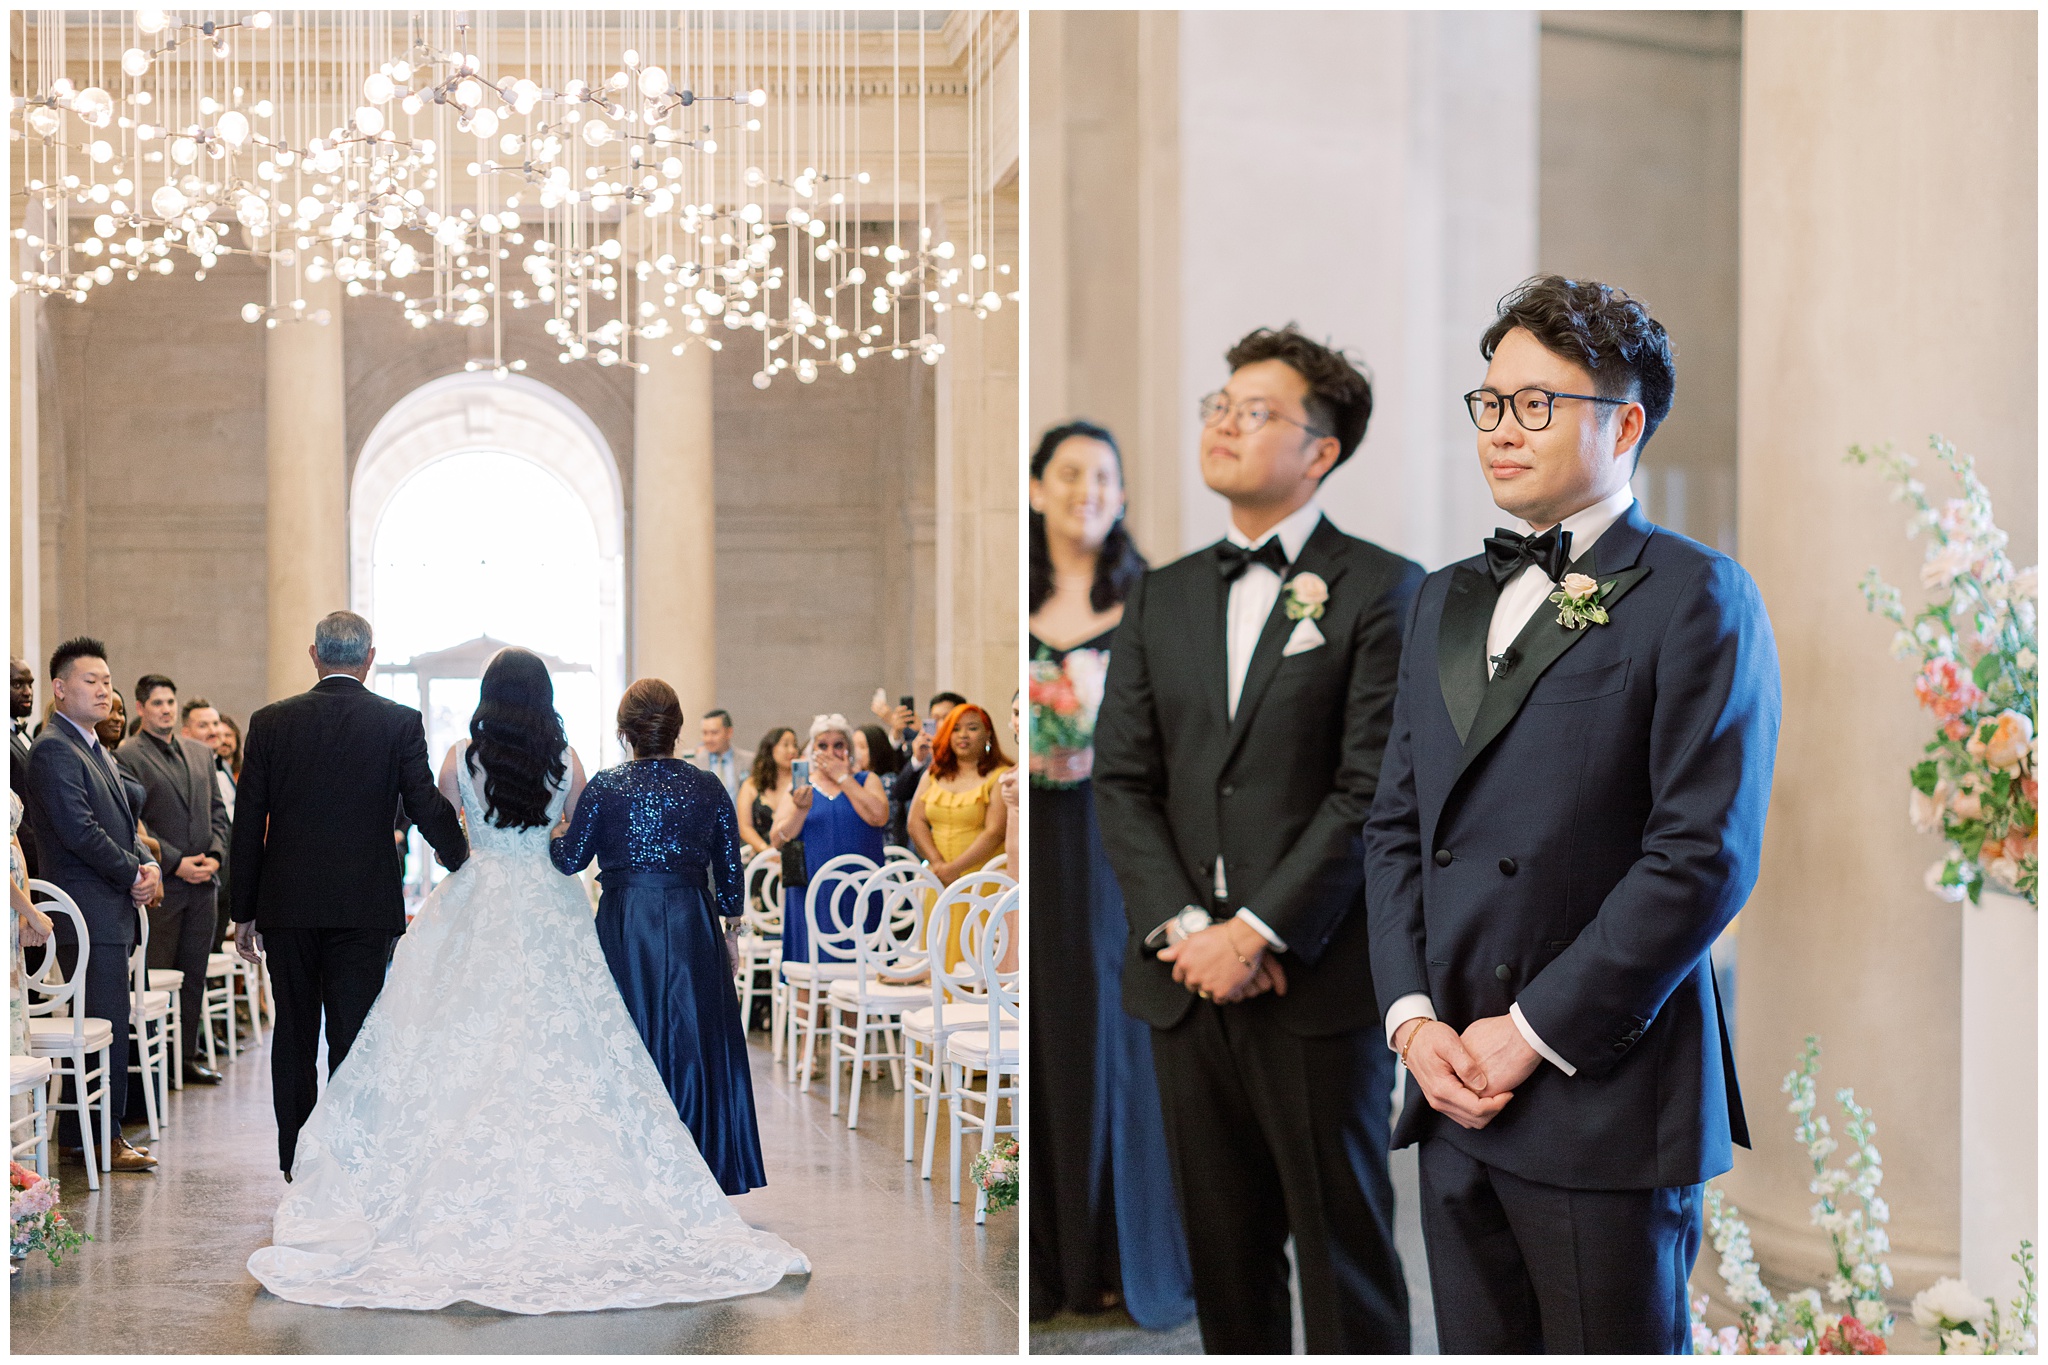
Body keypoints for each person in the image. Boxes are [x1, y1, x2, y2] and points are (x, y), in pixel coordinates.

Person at [1363, 276, 1779, 1354]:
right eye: (1488, 403)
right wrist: (1412, 1024)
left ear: (1625, 422)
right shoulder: (1440, 598)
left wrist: (1530, 1035)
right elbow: (1398, 826)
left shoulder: (1694, 593)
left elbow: (1699, 857)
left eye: (1535, 404)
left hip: (1599, 1091)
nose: (1500, 431)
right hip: (1450, 1082)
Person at [247, 649, 807, 1311]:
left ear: (487, 696)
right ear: (545, 699)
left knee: (461, 1037)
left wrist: (475, 842)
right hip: (549, 903)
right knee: (567, 1042)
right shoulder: (567, 763)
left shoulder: (460, 758)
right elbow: (572, 843)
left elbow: (437, 825)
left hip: (477, 899)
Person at [1093, 326, 1425, 1353]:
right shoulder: (1160, 593)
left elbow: (1367, 788)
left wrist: (1258, 932)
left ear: (1318, 450)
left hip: (1313, 981)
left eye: (1253, 412)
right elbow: (1123, 780)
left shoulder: (1382, 587)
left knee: (1344, 1253)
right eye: (1217, 406)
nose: (1222, 426)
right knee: (1223, 1261)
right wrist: (1191, 930)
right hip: (1184, 983)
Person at [1024, 420, 1194, 1331]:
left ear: (1121, 496)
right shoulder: (1008, 598)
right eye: (1068, 473)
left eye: (1103, 476)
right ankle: (1055, 1256)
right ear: (1039, 488)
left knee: (1120, 1030)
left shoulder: (1154, 601)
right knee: (1051, 1027)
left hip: (1121, 837)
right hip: (1037, 838)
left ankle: (1129, 1258)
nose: (1086, 488)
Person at [230, 610, 470, 1178]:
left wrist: (244, 912)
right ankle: (349, 1159)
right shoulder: (397, 722)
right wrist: (463, 858)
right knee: (355, 1034)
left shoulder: (269, 723)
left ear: (314, 655)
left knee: (292, 1033)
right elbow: (422, 803)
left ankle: (296, 1161)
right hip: (364, 907)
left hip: (286, 906)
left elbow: (247, 822)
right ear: (369, 659)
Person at [552, 676, 769, 1196]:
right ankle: (699, 1165)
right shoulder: (707, 785)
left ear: (625, 731)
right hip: (692, 920)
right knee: (694, 1037)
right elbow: (729, 869)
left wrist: (550, 828)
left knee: (629, 1033)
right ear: (678, 729)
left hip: (627, 921)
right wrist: (732, 932)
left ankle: (631, 1167)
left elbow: (570, 860)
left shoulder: (606, 786)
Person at [24, 637, 164, 1172]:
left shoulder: (92, 745)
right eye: (91, 681)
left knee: (112, 1023)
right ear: (60, 690)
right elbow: (79, 831)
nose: (104, 690)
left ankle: (99, 1135)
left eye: (107, 681)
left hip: (109, 906)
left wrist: (145, 865)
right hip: (86, 910)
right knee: (102, 1026)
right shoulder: (56, 748)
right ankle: (94, 1141)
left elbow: (120, 825)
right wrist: (133, 872)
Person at [116, 675, 229, 1086]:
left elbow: (218, 811)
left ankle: (186, 1057)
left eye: (170, 702)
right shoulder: (128, 755)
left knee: (194, 976)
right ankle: (157, 1066)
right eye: (157, 702)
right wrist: (177, 863)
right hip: (166, 884)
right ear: (141, 708)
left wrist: (215, 857)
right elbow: (133, 824)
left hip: (205, 884)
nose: (165, 708)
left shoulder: (200, 753)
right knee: (159, 974)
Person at [770, 715, 889, 970]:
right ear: (812, 750)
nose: (831, 752)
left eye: (838, 745)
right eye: (823, 745)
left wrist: (844, 778)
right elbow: (777, 840)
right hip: (812, 890)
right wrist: (800, 810)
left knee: (857, 975)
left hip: (859, 889)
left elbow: (879, 816)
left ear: (849, 749)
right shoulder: (800, 786)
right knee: (810, 970)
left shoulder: (866, 780)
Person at [908, 702, 1011, 886]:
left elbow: (995, 832)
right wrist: (938, 863)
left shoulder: (1000, 776)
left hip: (981, 880)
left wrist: (955, 868)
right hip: (938, 877)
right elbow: (915, 822)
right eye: (955, 729)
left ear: (987, 734)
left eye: (972, 728)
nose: (963, 735)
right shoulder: (933, 775)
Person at [735, 726, 798, 860]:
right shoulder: (752, 784)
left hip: (796, 855)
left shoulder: (801, 783)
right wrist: (767, 851)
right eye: (786, 745)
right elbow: (745, 827)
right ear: (771, 748)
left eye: (795, 745)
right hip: (761, 858)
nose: (792, 750)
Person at [11, 657, 41, 879]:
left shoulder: (23, 735)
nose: (27, 691)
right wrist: (39, 855)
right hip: (24, 858)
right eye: (17, 684)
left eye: (30, 684)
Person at [688, 708, 752, 805]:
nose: (708, 739)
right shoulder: (694, 763)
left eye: (714, 733)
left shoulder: (749, 761)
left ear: (729, 732)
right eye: (705, 733)